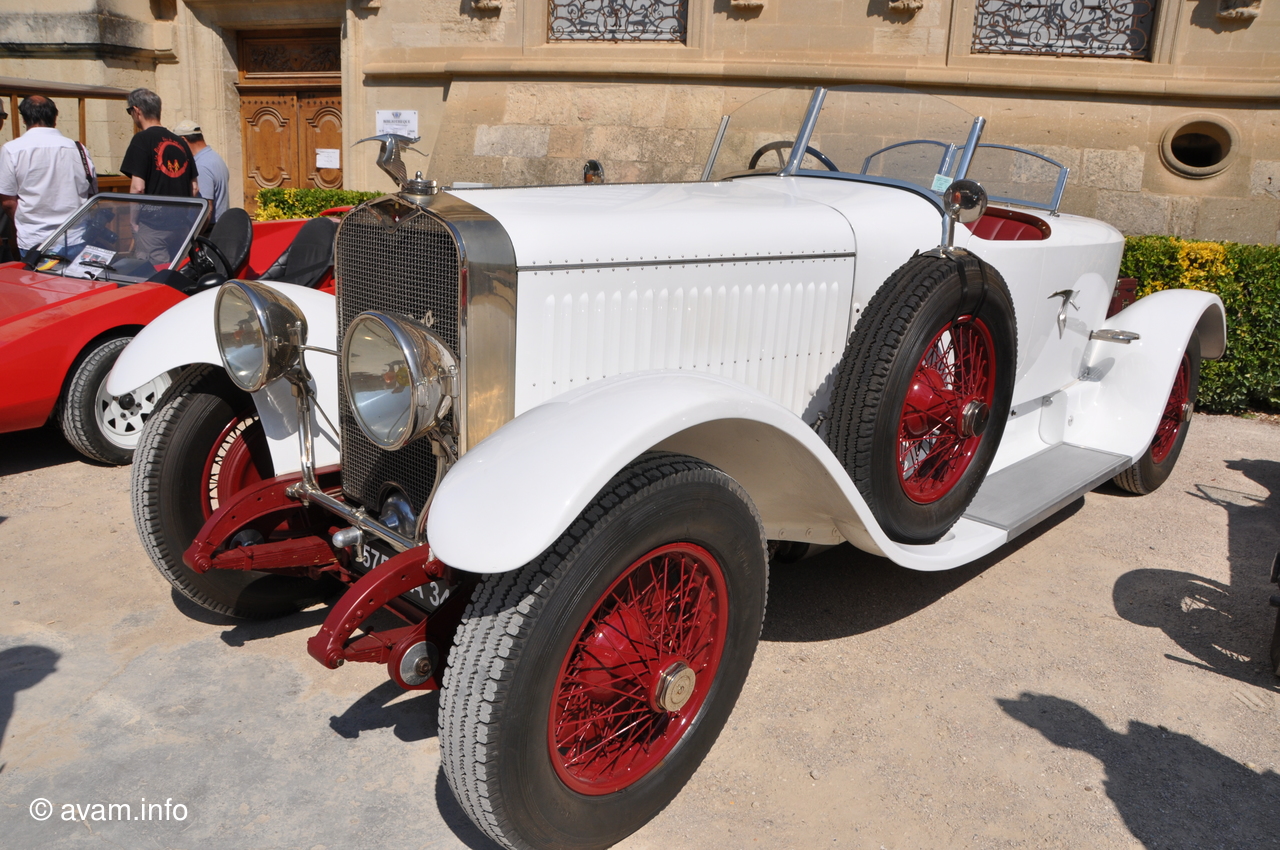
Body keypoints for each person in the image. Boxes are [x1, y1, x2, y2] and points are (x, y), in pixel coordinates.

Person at [0, 95, 97, 258]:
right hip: (76, 236)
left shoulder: (12, 150)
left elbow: (8, 202)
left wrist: (25, 224)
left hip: (34, 239)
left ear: (24, 119)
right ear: (54, 118)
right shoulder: (79, 149)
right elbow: (91, 192)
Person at [120, 88, 199, 263]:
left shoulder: (141, 140)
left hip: (153, 226)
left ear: (137, 111)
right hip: (181, 225)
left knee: (157, 275)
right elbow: (194, 188)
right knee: (182, 271)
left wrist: (133, 222)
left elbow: (138, 188)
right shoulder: (180, 142)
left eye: (129, 111)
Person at [173, 119, 229, 224]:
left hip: (208, 229)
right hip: (220, 225)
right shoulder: (215, 157)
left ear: (184, 140)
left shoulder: (201, 165)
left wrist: (196, 234)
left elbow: (206, 209)